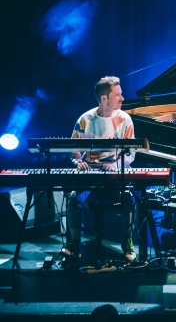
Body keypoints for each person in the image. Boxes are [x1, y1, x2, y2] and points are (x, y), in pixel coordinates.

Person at [61, 76, 137, 263]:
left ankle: (127, 242)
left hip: (113, 174)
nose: (122, 98)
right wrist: (78, 162)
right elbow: (74, 150)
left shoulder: (125, 119)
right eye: (117, 95)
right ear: (104, 98)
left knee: (128, 198)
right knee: (73, 199)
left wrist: (116, 166)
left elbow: (130, 153)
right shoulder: (85, 119)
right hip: (90, 174)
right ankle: (74, 244)